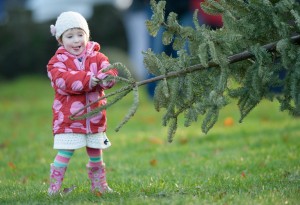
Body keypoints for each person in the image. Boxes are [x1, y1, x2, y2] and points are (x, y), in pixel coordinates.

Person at [46, 11, 118, 196]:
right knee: (66, 151)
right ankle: (54, 186)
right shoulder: (57, 62)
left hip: (94, 117)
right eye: (70, 36)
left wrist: (105, 78)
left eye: (80, 35)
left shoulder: (97, 57)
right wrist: (87, 80)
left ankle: (99, 185)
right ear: (61, 40)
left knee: (96, 151)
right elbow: (62, 80)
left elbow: (110, 72)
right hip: (70, 118)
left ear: (87, 35)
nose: (76, 40)